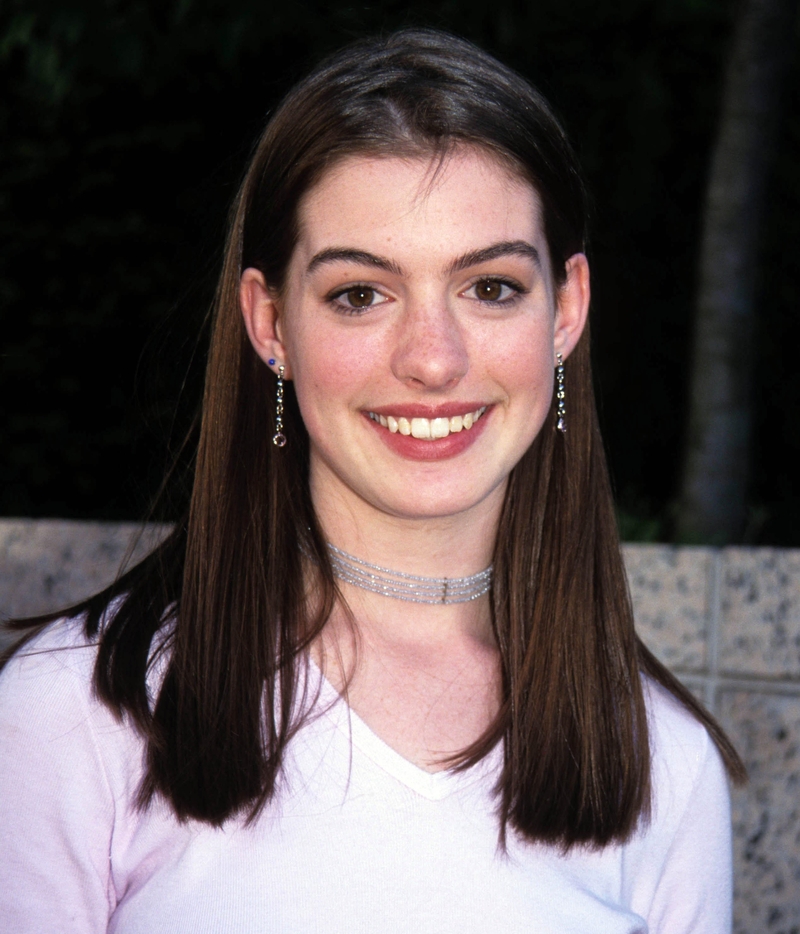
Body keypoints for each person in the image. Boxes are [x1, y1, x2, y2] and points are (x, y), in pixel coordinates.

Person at [0, 28, 744, 933]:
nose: (433, 360)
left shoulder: (665, 762)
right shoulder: (73, 715)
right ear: (270, 322)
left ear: (567, 309)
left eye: (492, 288)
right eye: (361, 294)